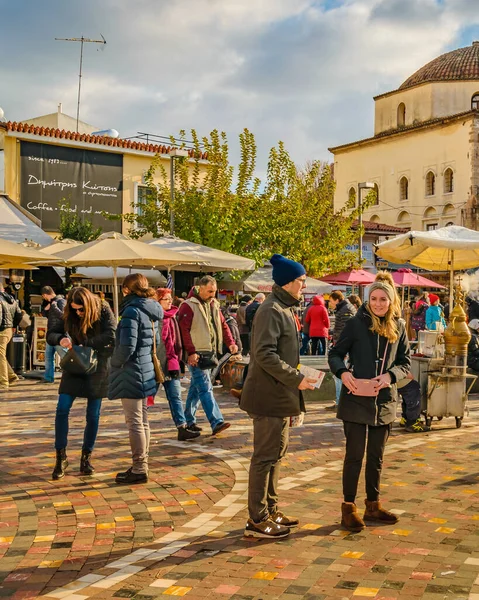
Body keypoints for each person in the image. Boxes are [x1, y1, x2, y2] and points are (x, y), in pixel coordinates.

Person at [240, 254, 316, 539]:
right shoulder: (272, 309)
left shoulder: (284, 307)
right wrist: (297, 378)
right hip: (268, 396)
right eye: (301, 280)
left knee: (276, 455)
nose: (304, 286)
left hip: (280, 394)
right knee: (264, 457)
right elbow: (264, 354)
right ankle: (257, 518)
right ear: (287, 282)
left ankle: (270, 509)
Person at [329, 277, 410, 532]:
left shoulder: (399, 326)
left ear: (391, 301)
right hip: (355, 399)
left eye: (383, 299)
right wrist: (344, 373)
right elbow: (335, 354)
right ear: (368, 299)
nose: (378, 303)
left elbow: (405, 362)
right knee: (354, 456)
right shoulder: (355, 324)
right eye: (373, 298)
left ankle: (373, 506)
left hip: (384, 400)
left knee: (376, 457)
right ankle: (348, 507)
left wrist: (390, 376)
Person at [47, 287, 116, 480]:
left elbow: (112, 334)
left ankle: (86, 457)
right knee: (62, 408)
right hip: (75, 364)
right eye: (75, 309)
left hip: (98, 366)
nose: (78, 313)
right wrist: (60, 339)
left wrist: (87, 343)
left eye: (81, 310)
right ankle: (61, 457)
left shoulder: (103, 308)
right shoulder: (68, 312)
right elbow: (51, 333)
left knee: (93, 414)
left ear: (89, 305)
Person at [108, 274, 163, 484]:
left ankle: (140, 467)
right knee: (142, 420)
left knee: (135, 422)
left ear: (126, 290)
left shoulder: (131, 311)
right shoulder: (151, 309)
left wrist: (114, 361)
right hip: (146, 368)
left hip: (131, 370)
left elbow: (127, 346)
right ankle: (142, 464)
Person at [178, 276, 237, 435]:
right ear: (200, 288)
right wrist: (191, 352)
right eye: (210, 291)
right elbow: (184, 331)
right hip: (197, 354)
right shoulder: (188, 306)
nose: (213, 294)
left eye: (214, 291)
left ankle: (188, 420)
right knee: (205, 387)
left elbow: (223, 325)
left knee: (196, 389)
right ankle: (216, 421)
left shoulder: (214, 304)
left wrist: (230, 341)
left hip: (210, 352)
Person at [156, 288, 199, 441]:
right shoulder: (154, 319)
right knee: (147, 397)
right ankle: (138, 426)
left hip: (172, 362)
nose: (169, 301)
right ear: (157, 301)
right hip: (156, 364)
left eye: (169, 299)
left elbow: (176, 342)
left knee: (175, 396)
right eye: (165, 299)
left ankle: (182, 427)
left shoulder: (173, 317)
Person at [326, 291, 356, 410]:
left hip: (343, 349)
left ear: (337, 299)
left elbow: (345, 332)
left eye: (331, 301)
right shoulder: (345, 308)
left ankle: (340, 402)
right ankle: (340, 401)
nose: (330, 303)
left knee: (340, 374)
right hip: (343, 347)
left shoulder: (345, 310)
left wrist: (341, 349)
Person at [0, 282, 23, 391]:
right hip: (8, 330)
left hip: (1, 330)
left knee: (0, 355)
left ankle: (3, 382)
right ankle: (12, 376)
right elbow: (19, 314)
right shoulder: (12, 299)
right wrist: (14, 326)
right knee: (1, 355)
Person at [41, 286, 67, 384]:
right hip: (51, 334)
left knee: (64, 356)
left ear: (45, 294)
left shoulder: (61, 302)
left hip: (59, 334)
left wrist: (53, 307)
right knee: (48, 356)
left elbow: (63, 316)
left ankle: (71, 376)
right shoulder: (51, 303)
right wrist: (46, 310)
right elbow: (45, 315)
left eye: (44, 297)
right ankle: (48, 378)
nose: (45, 299)